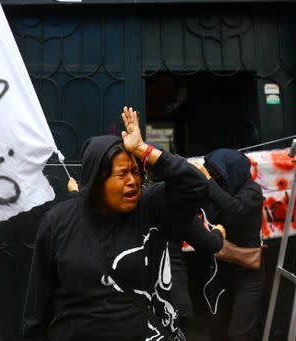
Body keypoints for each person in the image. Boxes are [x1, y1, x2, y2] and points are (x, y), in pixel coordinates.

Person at [22, 107, 209, 341]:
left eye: (135, 172)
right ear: (97, 181)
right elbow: (37, 308)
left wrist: (143, 150)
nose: (132, 181)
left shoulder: (151, 207)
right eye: (122, 174)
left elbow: (198, 186)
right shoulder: (57, 223)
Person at [202, 148, 265, 341]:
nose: (216, 177)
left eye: (218, 173)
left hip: (248, 275)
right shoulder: (221, 190)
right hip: (222, 270)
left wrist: (209, 182)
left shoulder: (252, 191)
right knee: (217, 332)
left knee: (239, 335)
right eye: (212, 173)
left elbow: (234, 207)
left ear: (233, 170)